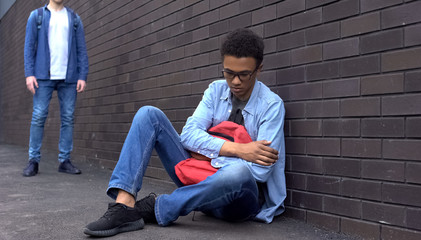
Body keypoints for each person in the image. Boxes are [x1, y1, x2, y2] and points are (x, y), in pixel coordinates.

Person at [84, 28, 286, 237]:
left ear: (259, 69)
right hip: (197, 179)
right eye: (229, 73)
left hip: (237, 204)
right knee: (148, 115)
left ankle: (157, 207)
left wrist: (207, 152)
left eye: (244, 74)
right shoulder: (216, 90)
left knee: (239, 173)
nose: (235, 81)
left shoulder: (271, 106)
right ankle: (124, 207)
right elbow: (188, 135)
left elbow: (260, 172)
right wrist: (239, 150)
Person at [23, 0, 89, 177]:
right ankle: (33, 161)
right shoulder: (36, 16)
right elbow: (29, 46)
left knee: (68, 118)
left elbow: (81, 49)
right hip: (42, 75)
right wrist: (29, 73)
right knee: (38, 116)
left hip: (69, 77)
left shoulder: (75, 19)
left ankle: (64, 161)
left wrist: (82, 75)